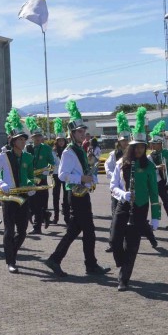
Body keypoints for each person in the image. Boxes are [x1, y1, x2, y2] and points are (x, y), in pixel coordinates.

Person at [42, 100, 110, 278]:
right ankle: (89, 265)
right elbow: (62, 175)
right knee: (88, 231)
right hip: (75, 195)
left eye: (83, 131)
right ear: (72, 134)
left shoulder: (80, 149)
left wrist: (91, 175)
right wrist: (81, 179)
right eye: (79, 131)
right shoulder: (69, 152)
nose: (83, 133)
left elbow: (84, 170)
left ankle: (57, 259)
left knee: (75, 231)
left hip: (82, 194)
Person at [111, 121, 161, 291]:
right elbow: (113, 186)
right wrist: (123, 194)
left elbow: (154, 192)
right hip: (123, 204)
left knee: (132, 247)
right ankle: (121, 262)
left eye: (142, 147)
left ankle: (123, 279)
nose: (139, 150)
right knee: (114, 240)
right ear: (131, 147)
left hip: (140, 207)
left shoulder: (149, 166)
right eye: (136, 147)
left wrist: (155, 216)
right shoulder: (121, 163)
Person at [0, 123, 33, 273]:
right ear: (13, 141)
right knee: (9, 230)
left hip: (23, 197)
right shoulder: (3, 156)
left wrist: (31, 185)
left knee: (22, 231)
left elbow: (30, 176)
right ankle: (11, 261)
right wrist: (2, 184)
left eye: (24, 139)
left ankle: (11, 253)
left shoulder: (28, 157)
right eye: (20, 139)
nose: (23, 142)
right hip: (8, 197)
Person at [105, 112, 132, 252]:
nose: (125, 142)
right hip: (117, 190)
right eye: (123, 140)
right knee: (115, 215)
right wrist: (115, 176)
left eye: (127, 140)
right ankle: (113, 242)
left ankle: (128, 242)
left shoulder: (134, 153)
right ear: (119, 141)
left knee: (130, 217)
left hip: (130, 190)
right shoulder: (113, 155)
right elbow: (108, 168)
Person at [27, 121, 55, 233]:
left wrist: (48, 170)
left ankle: (37, 227)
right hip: (31, 180)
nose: (37, 138)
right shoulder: (28, 148)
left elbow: (52, 163)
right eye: (35, 137)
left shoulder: (46, 148)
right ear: (32, 138)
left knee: (39, 204)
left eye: (39, 136)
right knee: (32, 204)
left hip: (42, 180)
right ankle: (45, 215)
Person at [50, 120, 68, 225]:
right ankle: (55, 217)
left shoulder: (68, 151)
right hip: (56, 175)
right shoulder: (53, 151)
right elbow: (51, 163)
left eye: (62, 140)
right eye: (59, 140)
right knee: (55, 196)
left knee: (66, 196)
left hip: (65, 175)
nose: (61, 142)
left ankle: (66, 216)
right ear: (56, 141)